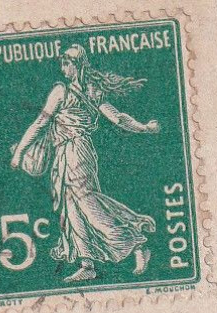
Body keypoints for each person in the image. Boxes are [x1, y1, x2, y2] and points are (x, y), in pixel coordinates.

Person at [10, 45, 160, 284]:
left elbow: (116, 117)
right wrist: (144, 127)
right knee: (71, 209)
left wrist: (144, 128)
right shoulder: (78, 90)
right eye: (62, 63)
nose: (63, 68)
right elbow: (42, 122)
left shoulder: (76, 92)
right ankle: (87, 263)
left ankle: (136, 244)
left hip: (77, 152)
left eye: (67, 63)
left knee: (88, 203)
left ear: (78, 64)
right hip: (63, 154)